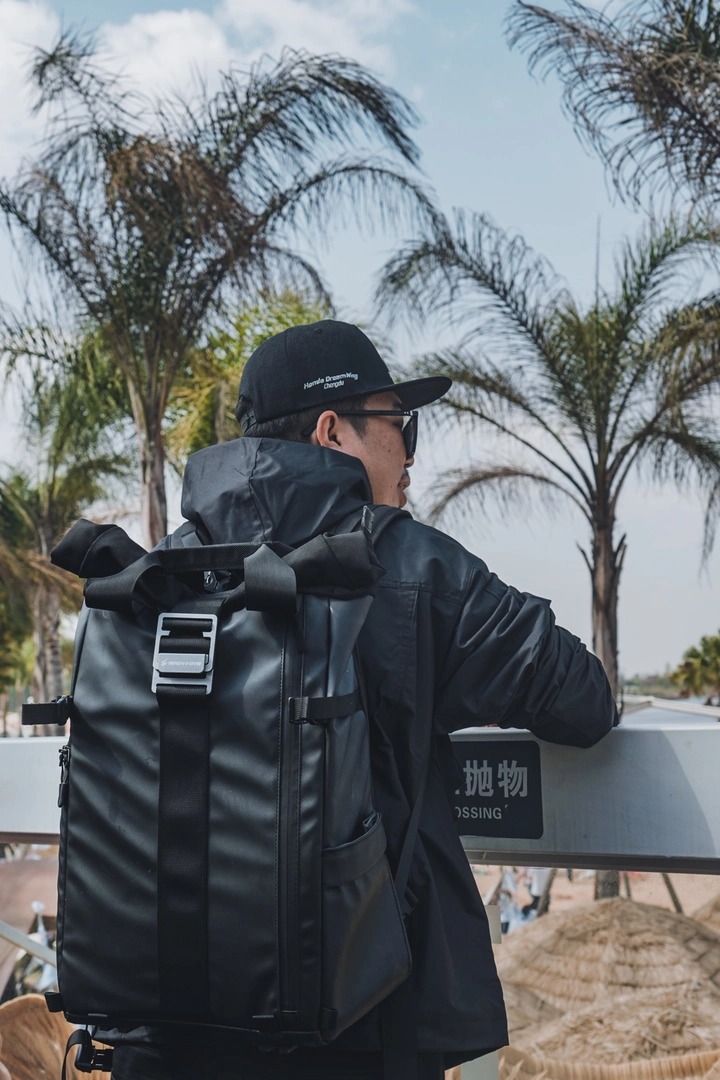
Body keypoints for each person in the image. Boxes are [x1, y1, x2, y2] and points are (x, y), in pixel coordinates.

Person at [109, 320, 617, 1080]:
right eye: (398, 424)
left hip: (167, 1021)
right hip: (359, 1028)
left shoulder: (159, 574)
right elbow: (583, 699)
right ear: (331, 431)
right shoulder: (410, 564)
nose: (410, 453)